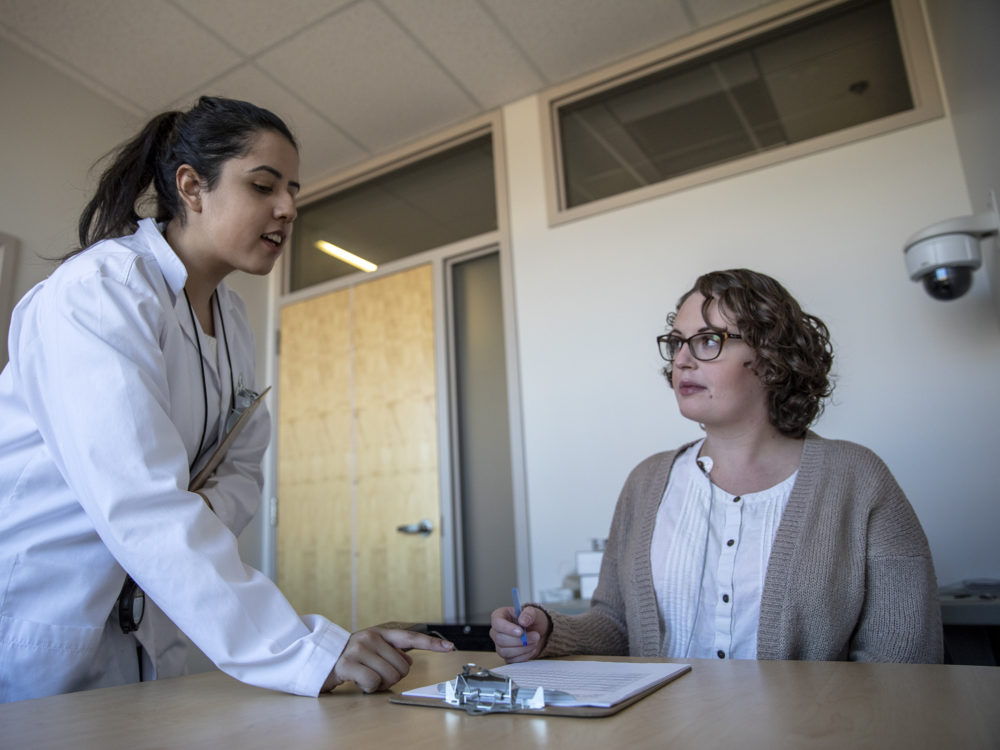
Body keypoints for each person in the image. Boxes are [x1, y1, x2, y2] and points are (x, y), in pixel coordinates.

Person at [0, 96, 452, 703]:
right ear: (191, 186)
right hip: (48, 619)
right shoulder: (100, 292)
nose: (289, 208)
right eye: (264, 185)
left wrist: (187, 535)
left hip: (155, 617)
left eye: (292, 189)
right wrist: (301, 647)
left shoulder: (232, 319)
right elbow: (140, 500)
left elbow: (239, 468)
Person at [491, 268, 942, 664]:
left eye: (708, 340)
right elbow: (617, 625)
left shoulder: (859, 479)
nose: (682, 360)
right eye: (677, 343)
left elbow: (902, 664)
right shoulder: (646, 482)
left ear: (772, 359)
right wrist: (551, 632)